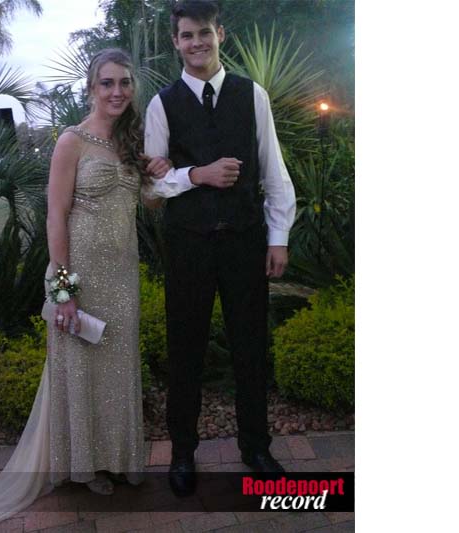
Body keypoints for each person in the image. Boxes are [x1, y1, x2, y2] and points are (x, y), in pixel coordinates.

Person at [0, 48, 163, 530]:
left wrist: (157, 174)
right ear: (91, 88)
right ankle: (85, 466)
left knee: (117, 365)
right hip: (82, 274)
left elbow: (150, 205)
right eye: (107, 83)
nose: (117, 91)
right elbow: (55, 216)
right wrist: (64, 290)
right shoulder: (71, 141)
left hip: (123, 274)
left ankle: (118, 457)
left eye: (125, 83)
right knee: (81, 367)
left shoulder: (132, 142)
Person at [143, 0, 297, 497]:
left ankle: (256, 446)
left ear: (220, 35)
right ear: (176, 42)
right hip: (188, 245)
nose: (197, 43)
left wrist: (278, 237)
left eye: (204, 33)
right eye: (187, 35)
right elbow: (154, 183)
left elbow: (273, 169)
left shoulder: (252, 95)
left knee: (251, 347)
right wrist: (197, 175)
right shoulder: (162, 104)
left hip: (244, 241)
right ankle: (182, 452)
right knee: (184, 349)